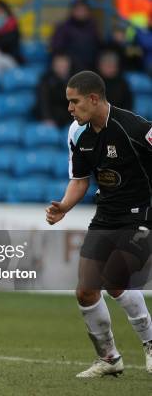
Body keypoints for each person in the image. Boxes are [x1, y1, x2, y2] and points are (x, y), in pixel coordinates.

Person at [46, 70, 152, 377]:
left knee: (114, 277)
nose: (69, 108)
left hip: (142, 214)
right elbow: (79, 180)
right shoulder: (77, 133)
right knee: (86, 291)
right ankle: (109, 358)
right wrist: (63, 207)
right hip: (106, 214)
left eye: (74, 102)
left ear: (94, 99)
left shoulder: (134, 127)